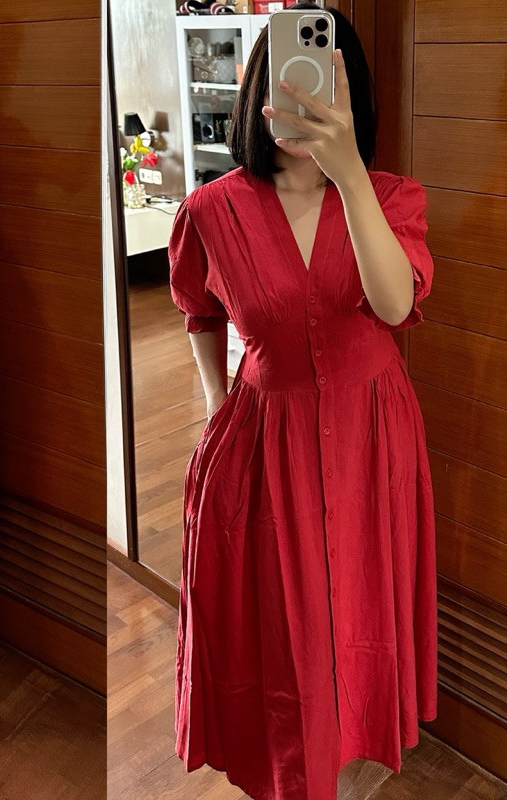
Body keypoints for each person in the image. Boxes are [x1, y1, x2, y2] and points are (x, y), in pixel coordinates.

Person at [168, 3, 437, 798]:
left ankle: (338, 765)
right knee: (286, 634)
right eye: (286, 81)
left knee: (358, 613)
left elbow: (394, 304)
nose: (303, 99)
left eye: (324, 85)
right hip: (264, 442)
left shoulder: (391, 197)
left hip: (372, 440)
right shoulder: (210, 211)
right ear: (257, 89)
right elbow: (198, 311)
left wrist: (348, 173)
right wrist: (217, 404)